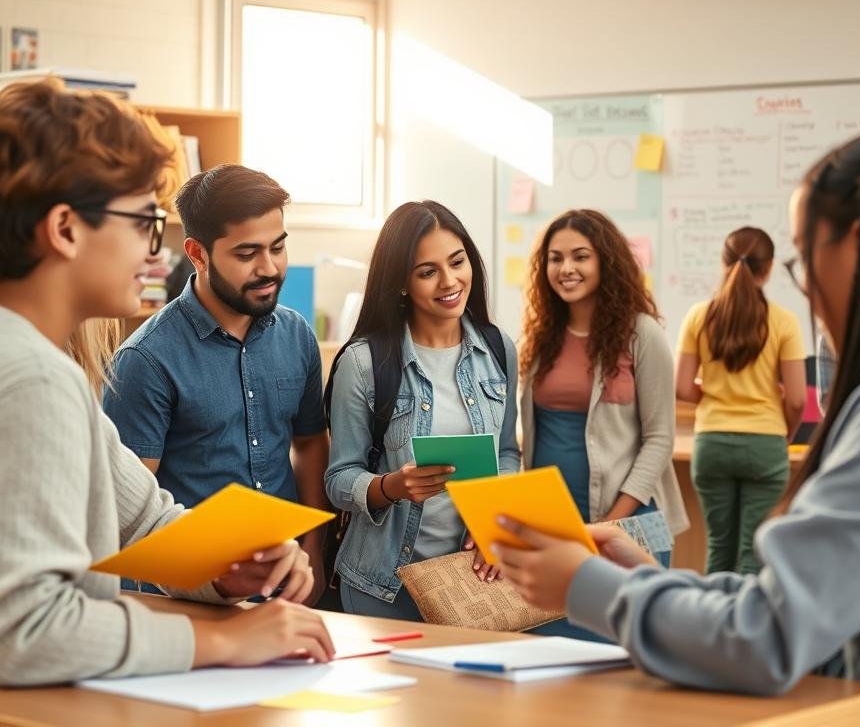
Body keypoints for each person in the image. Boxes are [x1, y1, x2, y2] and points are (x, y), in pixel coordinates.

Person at [492, 124, 860, 726]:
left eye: (803, 256)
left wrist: (586, 584)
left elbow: (764, 637)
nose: (808, 287)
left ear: (858, 243)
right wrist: (648, 581)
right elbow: (793, 606)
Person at [0, 79, 333, 685]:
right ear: (66, 229)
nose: (156, 255)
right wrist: (223, 640)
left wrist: (229, 566)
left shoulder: (48, 370)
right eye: (142, 224)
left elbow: (149, 520)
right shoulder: (30, 379)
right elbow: (26, 630)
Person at [102, 164, 329, 602]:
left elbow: (310, 443)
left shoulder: (297, 334)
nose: (269, 268)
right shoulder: (145, 360)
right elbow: (126, 513)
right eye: (247, 254)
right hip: (185, 596)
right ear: (197, 253)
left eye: (277, 248)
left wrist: (314, 550)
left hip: (284, 585)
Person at [324, 200, 520, 620]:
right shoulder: (363, 363)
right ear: (401, 283)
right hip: (383, 585)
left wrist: (492, 523)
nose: (449, 281)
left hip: (470, 579)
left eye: (457, 262)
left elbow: (506, 453)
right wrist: (393, 486)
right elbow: (339, 478)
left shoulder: (499, 349)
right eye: (427, 272)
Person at [519, 209, 688, 561]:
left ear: (606, 262)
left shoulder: (642, 333)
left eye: (581, 256)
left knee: (633, 615)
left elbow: (659, 440)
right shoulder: (539, 339)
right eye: (555, 258)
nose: (566, 268)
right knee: (551, 617)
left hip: (635, 519)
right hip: (556, 522)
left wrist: (611, 525)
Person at [675, 227, 807, 574]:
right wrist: (784, 433)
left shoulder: (698, 316)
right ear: (769, 268)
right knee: (752, 550)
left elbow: (683, 388)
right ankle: (745, 628)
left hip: (712, 443)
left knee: (719, 547)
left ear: (723, 263)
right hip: (765, 443)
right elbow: (795, 400)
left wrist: (717, 394)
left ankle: (709, 627)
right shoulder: (785, 322)